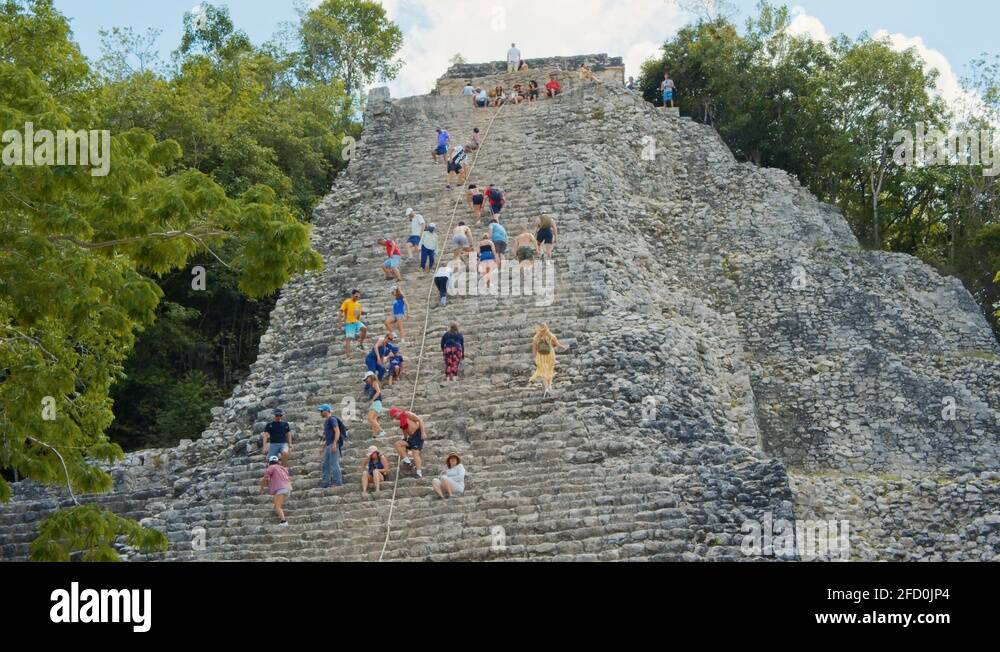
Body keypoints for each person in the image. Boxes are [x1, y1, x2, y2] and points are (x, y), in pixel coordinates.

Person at [389, 407, 427, 479]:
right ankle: (407, 461)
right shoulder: (401, 420)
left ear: (398, 412)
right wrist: (405, 439)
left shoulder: (407, 414)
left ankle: (419, 473)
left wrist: (423, 433)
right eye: (393, 417)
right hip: (411, 437)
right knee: (397, 444)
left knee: (415, 453)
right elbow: (405, 430)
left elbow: (420, 420)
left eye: (394, 415)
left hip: (417, 435)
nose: (395, 418)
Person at [529, 323, 568, 393]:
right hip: (550, 355)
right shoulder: (551, 336)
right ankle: (549, 385)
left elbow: (534, 350)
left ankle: (546, 387)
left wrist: (535, 358)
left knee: (543, 371)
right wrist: (563, 347)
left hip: (541, 356)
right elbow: (558, 345)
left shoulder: (535, 338)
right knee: (550, 370)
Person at [260, 455, 291, 525]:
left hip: (280, 489)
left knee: (277, 506)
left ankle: (284, 521)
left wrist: (261, 488)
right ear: (278, 461)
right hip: (287, 488)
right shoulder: (284, 468)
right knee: (276, 504)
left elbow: (265, 479)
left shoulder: (271, 467)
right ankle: (281, 518)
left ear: (269, 462)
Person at [318, 404, 344, 489]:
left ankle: (338, 481)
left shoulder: (332, 419)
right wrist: (323, 447)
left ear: (327, 411)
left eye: (322, 411)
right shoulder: (326, 421)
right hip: (329, 445)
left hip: (333, 445)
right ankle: (325, 482)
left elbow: (337, 431)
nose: (320, 413)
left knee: (334, 464)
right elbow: (327, 436)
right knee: (326, 465)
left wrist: (334, 443)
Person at [340, 289, 368, 358]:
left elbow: (359, 313)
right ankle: (348, 354)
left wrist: (363, 313)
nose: (357, 297)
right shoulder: (347, 302)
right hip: (349, 322)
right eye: (356, 296)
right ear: (352, 295)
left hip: (356, 321)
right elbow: (341, 311)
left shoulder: (358, 304)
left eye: (358, 296)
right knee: (348, 338)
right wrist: (340, 322)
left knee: (364, 329)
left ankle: (360, 344)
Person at [364, 371, 387, 439]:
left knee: (370, 418)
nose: (366, 381)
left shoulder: (374, 382)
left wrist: (372, 400)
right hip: (376, 403)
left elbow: (378, 391)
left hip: (376, 402)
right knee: (374, 419)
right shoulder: (372, 385)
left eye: (366, 379)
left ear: (370, 377)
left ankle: (381, 431)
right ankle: (374, 436)